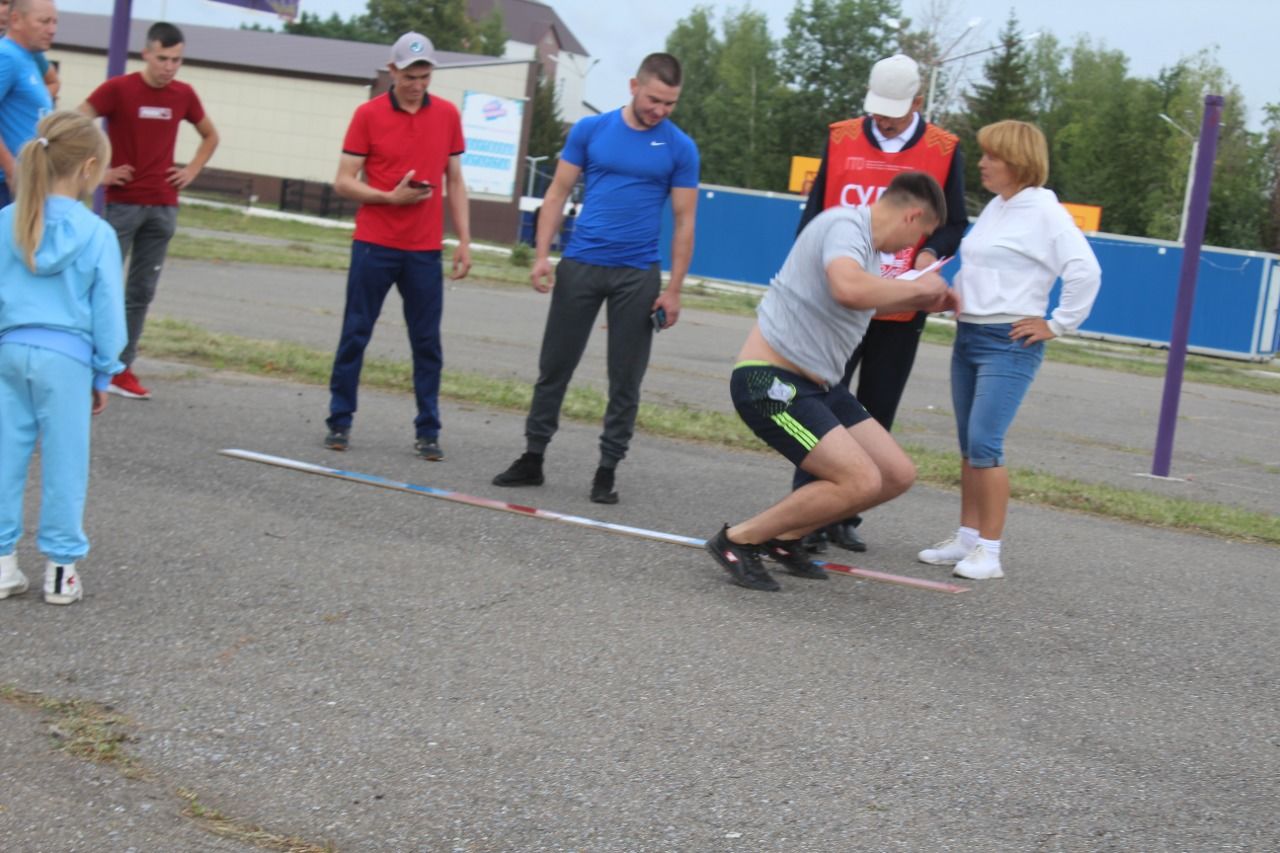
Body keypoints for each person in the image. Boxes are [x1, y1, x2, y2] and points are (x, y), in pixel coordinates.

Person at [705, 172, 958, 592]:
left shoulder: (868, 254)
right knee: (860, 480)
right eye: (922, 236)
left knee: (896, 474)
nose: (912, 248)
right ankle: (739, 540)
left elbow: (859, 303)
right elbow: (847, 290)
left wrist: (926, 298)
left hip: (819, 385)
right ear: (913, 216)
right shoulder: (846, 226)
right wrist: (918, 291)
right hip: (768, 383)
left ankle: (786, 539)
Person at [491, 52, 699, 504]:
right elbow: (556, 192)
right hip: (581, 265)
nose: (660, 110)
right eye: (653, 99)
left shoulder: (680, 147)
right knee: (555, 367)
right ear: (633, 85)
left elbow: (685, 222)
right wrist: (541, 256)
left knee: (625, 378)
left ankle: (606, 470)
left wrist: (675, 289)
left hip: (637, 276)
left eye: (670, 103)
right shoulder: (591, 130)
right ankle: (533, 457)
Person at [793, 53, 967, 555]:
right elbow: (816, 213)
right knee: (817, 407)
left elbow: (955, 221)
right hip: (839, 305)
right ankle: (806, 512)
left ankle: (845, 513)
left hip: (898, 307)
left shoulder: (943, 148)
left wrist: (930, 254)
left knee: (875, 411)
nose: (883, 121)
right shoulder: (843, 137)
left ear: (918, 102)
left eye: (895, 110)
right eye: (877, 109)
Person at [917, 120, 1100, 580]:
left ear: (1018, 163)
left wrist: (1057, 324)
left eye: (992, 156)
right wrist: (955, 294)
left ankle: (990, 553)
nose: (982, 163)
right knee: (967, 445)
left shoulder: (1044, 211)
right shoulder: (999, 207)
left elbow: (1085, 271)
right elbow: (985, 265)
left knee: (985, 443)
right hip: (969, 336)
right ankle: (966, 539)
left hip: (1009, 343)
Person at [323, 32, 471, 461]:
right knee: (356, 333)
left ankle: (428, 429)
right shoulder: (367, 115)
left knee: (427, 342)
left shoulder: (446, 115)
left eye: (424, 76)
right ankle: (340, 420)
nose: (417, 84)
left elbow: (455, 181)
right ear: (393, 70)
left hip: (424, 249)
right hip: (375, 243)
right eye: (410, 75)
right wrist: (389, 197)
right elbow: (343, 179)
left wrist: (463, 240)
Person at [0, 111, 125, 606]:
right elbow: (109, 314)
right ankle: (60, 569)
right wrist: (105, 370)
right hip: (68, 360)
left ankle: (3, 563)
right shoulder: (97, 234)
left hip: (10, 351)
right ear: (90, 167)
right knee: (65, 463)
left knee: (5, 457)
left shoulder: (6, 222)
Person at [77, 22, 219, 401]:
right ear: (147, 54)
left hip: (163, 207)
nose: (170, 67)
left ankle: (122, 369)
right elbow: (75, 125)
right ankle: (85, 364)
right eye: (163, 59)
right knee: (101, 287)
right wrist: (97, 172)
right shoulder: (118, 90)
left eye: (176, 60)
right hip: (122, 205)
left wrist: (191, 169)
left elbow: (211, 135)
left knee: (140, 291)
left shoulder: (184, 94)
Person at [0, 0, 56, 209]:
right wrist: (10, 168)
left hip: (28, 181)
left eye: (54, 22)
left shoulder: (29, 58)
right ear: (16, 20)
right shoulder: (7, 55)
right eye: (44, 21)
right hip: (8, 186)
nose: (52, 30)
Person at [0, 0, 59, 103]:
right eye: (3, 3)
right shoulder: (6, 54)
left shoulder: (25, 49)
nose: (5, 10)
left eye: (9, 3)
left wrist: (34, 102)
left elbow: (53, 81)